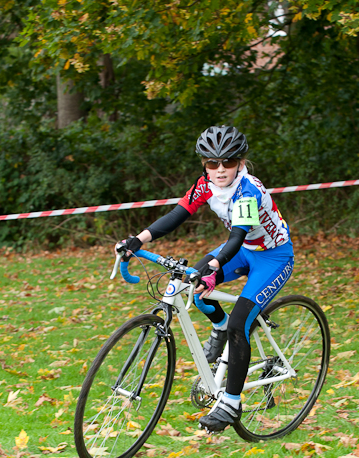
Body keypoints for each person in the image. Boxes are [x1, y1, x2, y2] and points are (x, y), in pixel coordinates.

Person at [115, 125, 294, 433]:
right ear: (204, 164)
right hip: (243, 250)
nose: (220, 169)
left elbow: (237, 236)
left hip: (272, 257)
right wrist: (138, 239)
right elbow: (177, 215)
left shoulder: (248, 190)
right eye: (212, 163)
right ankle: (219, 327)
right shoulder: (206, 184)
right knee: (192, 286)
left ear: (240, 162)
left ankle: (231, 403)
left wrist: (215, 263)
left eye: (228, 162)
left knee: (240, 323)